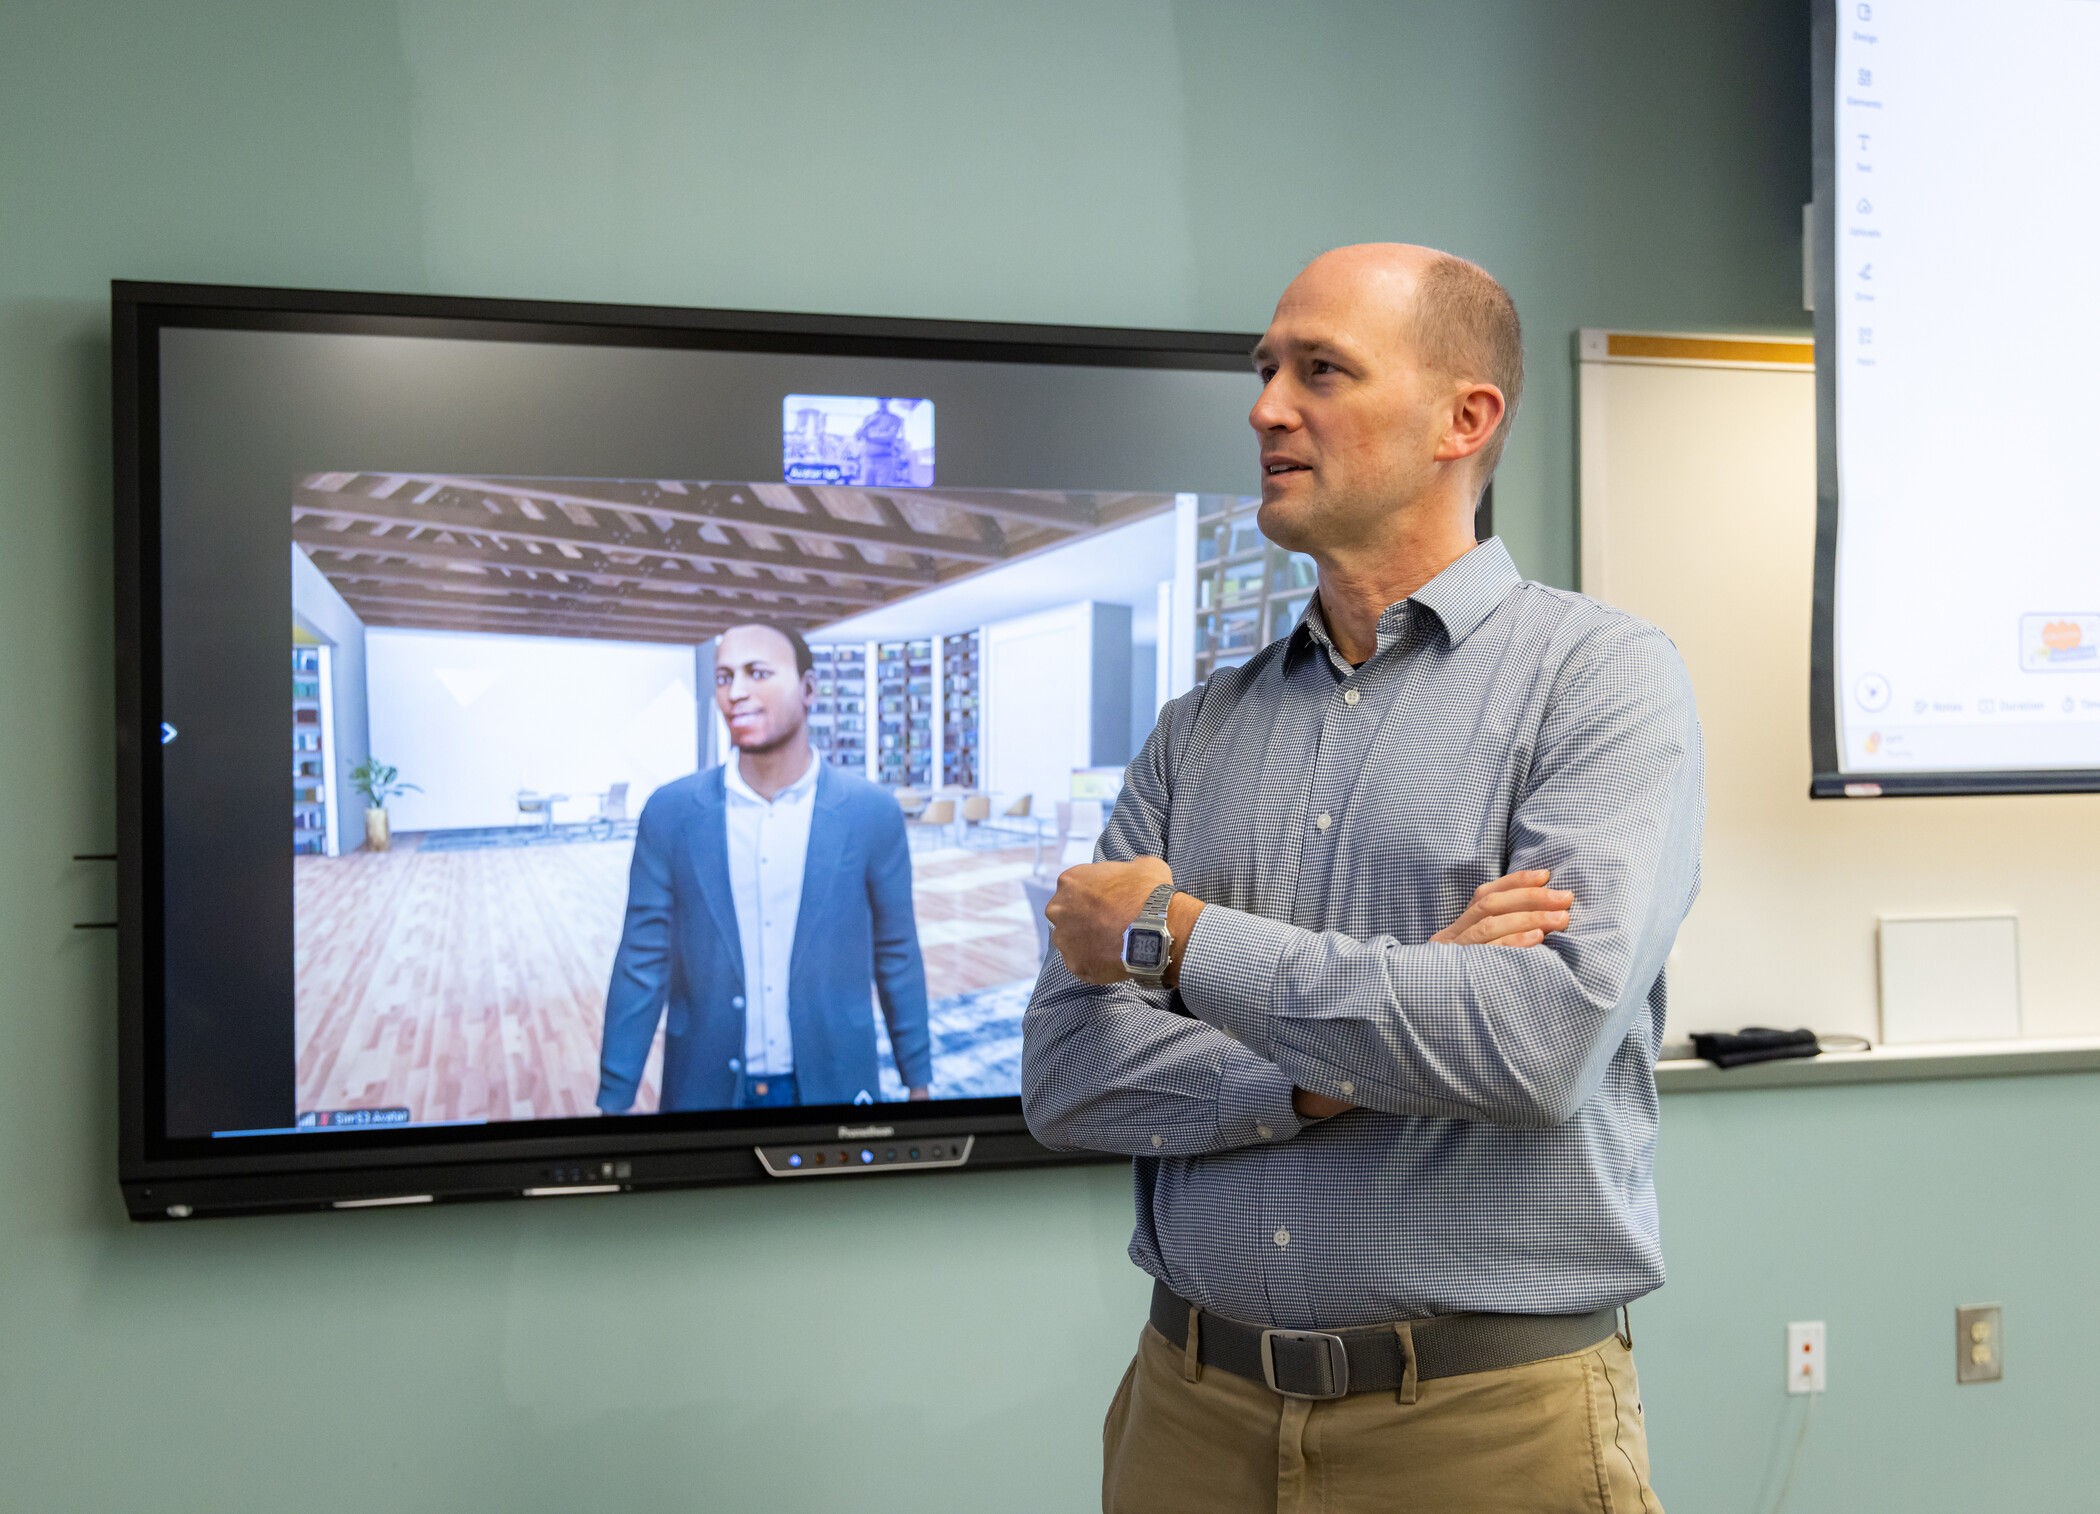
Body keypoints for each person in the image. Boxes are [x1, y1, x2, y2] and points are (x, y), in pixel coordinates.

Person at [1023, 244, 1703, 1513]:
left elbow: (1537, 1042)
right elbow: (1067, 1072)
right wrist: (1330, 1069)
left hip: (1487, 1432)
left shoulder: (1602, 680)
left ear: (1464, 419)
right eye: (1265, 370)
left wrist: (1174, 939)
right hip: (1189, 1413)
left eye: (1321, 370)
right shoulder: (1195, 731)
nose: (1266, 408)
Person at [597, 622, 934, 1113]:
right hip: (702, 1086)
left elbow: (896, 951)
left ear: (809, 688)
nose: (735, 691)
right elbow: (641, 959)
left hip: (837, 1080)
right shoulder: (670, 814)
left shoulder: (871, 813)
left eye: (757, 673)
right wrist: (615, 1095)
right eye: (724, 677)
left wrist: (917, 1078)